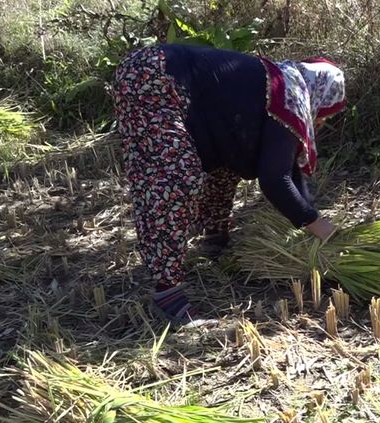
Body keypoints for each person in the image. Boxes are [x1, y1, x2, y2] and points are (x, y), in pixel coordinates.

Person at [112, 43, 346, 326]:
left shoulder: (283, 86)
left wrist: (309, 212)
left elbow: (287, 169)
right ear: (321, 93)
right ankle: (167, 292)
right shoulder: (291, 97)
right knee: (172, 179)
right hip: (155, 74)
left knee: (225, 168)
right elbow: (275, 180)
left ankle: (216, 238)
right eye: (327, 112)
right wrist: (320, 227)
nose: (321, 121)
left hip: (155, 72)